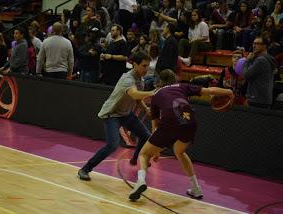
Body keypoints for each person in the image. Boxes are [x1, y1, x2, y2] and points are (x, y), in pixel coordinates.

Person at [128, 69, 234, 201]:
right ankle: (196, 188)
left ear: (159, 82)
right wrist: (229, 92)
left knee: (143, 154)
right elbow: (210, 90)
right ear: (175, 80)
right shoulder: (183, 86)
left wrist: (155, 150)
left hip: (170, 121)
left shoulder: (156, 95)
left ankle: (141, 181)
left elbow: (155, 122)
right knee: (180, 152)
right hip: (190, 122)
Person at [78, 52, 155, 181]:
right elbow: (135, 94)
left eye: (148, 66)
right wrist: (153, 92)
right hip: (112, 114)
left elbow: (136, 100)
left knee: (146, 136)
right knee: (112, 145)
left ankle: (136, 158)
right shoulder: (127, 79)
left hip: (126, 114)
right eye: (144, 66)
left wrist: (146, 109)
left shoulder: (140, 79)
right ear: (134, 64)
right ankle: (85, 169)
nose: (146, 69)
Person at [243, 35, 277, 108]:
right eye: (253, 43)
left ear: (264, 46)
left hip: (256, 98)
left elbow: (246, 75)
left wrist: (247, 60)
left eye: (257, 43)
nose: (254, 46)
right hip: (264, 98)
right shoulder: (268, 58)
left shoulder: (261, 60)